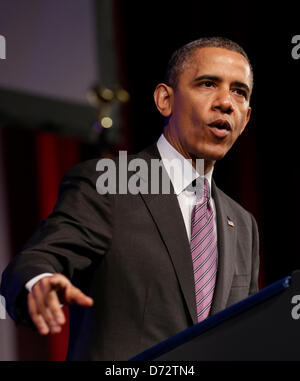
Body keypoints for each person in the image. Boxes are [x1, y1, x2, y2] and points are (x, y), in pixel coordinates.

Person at [0, 37, 259, 361]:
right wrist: (39, 282)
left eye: (240, 92)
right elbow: (34, 261)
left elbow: (247, 333)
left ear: (246, 118)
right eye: (208, 84)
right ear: (165, 100)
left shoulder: (242, 223)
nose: (226, 102)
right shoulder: (111, 182)